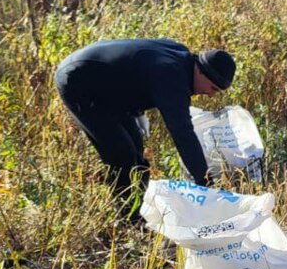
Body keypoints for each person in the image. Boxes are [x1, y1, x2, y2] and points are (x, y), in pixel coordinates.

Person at [55, 39, 235, 216]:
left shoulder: (181, 56)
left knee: (137, 154)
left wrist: (138, 111)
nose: (211, 95)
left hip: (108, 87)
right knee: (122, 155)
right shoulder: (173, 77)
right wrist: (205, 184)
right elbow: (183, 135)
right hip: (78, 82)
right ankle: (126, 219)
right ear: (200, 71)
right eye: (213, 88)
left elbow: (138, 68)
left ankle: (140, 209)